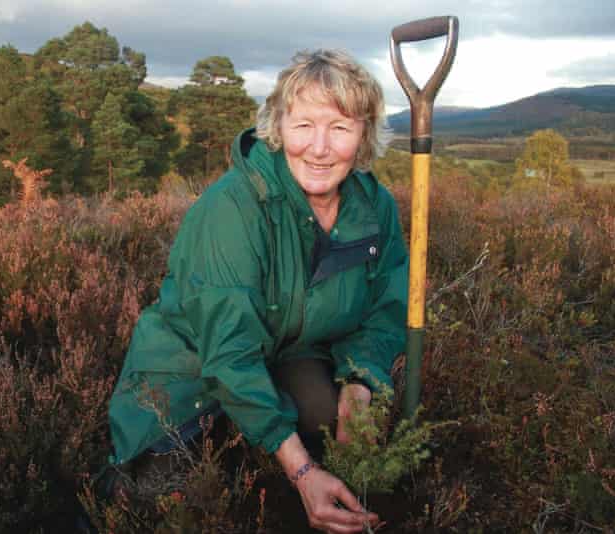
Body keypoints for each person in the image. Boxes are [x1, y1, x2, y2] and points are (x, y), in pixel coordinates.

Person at [107, 49, 408, 533]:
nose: (320, 148)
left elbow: (384, 310)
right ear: (278, 127)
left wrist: (361, 381)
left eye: (340, 128)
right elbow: (229, 352)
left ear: (365, 135)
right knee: (167, 499)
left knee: (331, 420)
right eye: (304, 125)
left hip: (285, 353)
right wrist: (304, 470)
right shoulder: (234, 207)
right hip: (191, 367)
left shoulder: (374, 209)